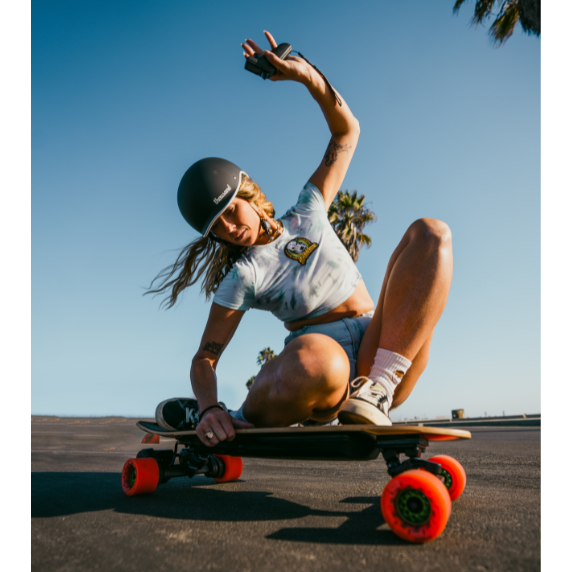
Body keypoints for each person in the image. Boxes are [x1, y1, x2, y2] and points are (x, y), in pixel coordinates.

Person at [148, 31, 453, 448]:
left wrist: (307, 76)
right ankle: (232, 417)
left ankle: (373, 393)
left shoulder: (307, 209)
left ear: (248, 192)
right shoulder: (242, 275)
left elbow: (347, 132)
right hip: (318, 367)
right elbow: (205, 357)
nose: (229, 230)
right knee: (319, 361)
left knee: (431, 234)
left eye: (231, 212)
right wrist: (209, 405)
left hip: (380, 348)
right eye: (216, 228)